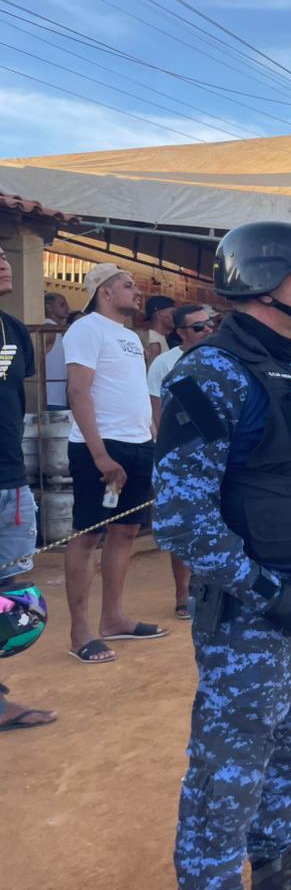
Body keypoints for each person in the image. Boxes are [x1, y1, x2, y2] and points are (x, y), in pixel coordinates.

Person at [154, 221, 291, 889]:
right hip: (254, 619)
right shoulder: (211, 375)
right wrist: (271, 593)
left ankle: (278, 871)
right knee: (228, 773)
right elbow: (182, 520)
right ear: (258, 282)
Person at [63, 263, 166, 665]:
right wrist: (99, 454)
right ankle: (80, 630)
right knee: (87, 535)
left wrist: (151, 438)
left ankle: (113, 617)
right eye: (127, 285)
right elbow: (78, 391)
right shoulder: (85, 328)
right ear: (104, 292)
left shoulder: (128, 336)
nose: (136, 292)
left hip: (137, 444)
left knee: (124, 532)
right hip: (101, 446)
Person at [0, 246, 54, 731]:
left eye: (2, 252)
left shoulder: (14, 331)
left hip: (10, 478)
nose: (2, 259)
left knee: (6, 593)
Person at [147, 304, 217, 621]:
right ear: (181, 332)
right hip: (181, 458)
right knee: (184, 527)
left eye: (210, 324)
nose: (207, 331)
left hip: (216, 459)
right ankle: (181, 591)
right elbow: (157, 412)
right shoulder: (166, 364)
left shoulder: (221, 360)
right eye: (199, 327)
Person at [44, 291, 70, 410]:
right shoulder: (48, 329)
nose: (67, 308)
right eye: (62, 305)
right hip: (50, 398)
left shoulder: (59, 331)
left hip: (59, 397)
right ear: (49, 307)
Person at [140, 294, 176, 367]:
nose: (175, 317)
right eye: (173, 313)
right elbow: (150, 372)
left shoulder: (158, 338)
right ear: (159, 314)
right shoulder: (154, 340)